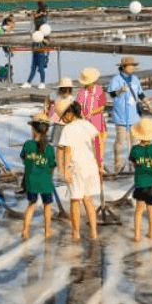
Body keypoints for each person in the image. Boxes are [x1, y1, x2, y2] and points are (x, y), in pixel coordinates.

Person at [58, 101, 100, 241]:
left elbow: (67, 150)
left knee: (75, 200)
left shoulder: (68, 129)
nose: (62, 120)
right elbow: (98, 140)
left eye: (63, 116)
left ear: (69, 114)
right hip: (90, 165)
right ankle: (93, 231)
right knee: (88, 199)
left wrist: (65, 170)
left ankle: (76, 232)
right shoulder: (87, 124)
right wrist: (99, 160)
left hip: (76, 166)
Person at [20, 113, 57, 239]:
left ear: (33, 128)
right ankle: (47, 231)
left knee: (31, 205)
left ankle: (25, 231)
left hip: (31, 181)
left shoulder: (27, 145)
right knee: (47, 206)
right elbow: (52, 165)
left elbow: (23, 159)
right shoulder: (49, 148)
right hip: (45, 181)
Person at [129, 117, 152, 242]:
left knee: (139, 210)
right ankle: (151, 233)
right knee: (151, 208)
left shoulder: (135, 149)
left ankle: (137, 235)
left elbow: (134, 163)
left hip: (140, 182)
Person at [109, 56, 148, 175]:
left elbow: (140, 94)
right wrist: (120, 91)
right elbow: (111, 94)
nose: (133, 68)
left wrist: (148, 103)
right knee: (120, 141)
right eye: (131, 66)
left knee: (135, 142)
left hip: (133, 115)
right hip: (120, 115)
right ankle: (118, 164)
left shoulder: (135, 79)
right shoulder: (116, 79)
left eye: (134, 66)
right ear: (124, 67)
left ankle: (135, 165)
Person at [75, 67, 108, 174]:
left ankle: (100, 164)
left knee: (99, 143)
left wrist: (92, 112)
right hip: (85, 122)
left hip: (97, 120)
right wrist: (81, 115)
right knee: (86, 144)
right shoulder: (81, 92)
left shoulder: (98, 90)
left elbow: (102, 106)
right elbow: (78, 106)